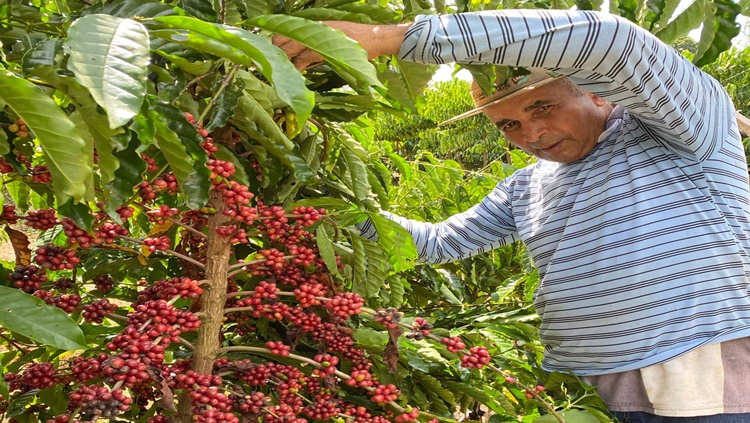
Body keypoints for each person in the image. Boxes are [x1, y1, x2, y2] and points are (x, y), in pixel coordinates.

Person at [276, 9, 750, 423]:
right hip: (613, 382)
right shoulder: (527, 185)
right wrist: (326, 211)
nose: (533, 133)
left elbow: (613, 40)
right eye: (509, 124)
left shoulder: (683, 130)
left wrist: (386, 38)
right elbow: (440, 242)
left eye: (542, 106)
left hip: (708, 371)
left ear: (599, 95)